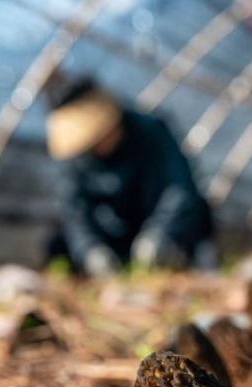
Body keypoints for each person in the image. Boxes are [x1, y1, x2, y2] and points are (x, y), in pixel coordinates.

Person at [44, 76, 216, 276]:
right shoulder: (76, 156)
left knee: (200, 215)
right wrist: (91, 250)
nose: (97, 146)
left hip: (157, 226)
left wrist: (160, 234)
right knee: (57, 244)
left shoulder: (152, 131)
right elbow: (74, 211)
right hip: (112, 237)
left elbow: (180, 189)